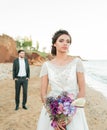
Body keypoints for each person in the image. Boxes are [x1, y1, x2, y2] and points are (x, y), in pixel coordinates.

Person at [37, 30, 89, 130]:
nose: (65, 43)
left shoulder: (77, 62)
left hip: (74, 109)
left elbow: (82, 89)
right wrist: (54, 117)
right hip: (53, 109)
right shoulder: (46, 66)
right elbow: (43, 93)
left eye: (68, 41)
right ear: (54, 44)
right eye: (61, 40)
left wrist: (71, 115)